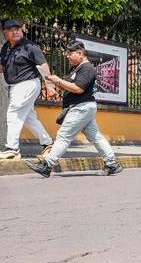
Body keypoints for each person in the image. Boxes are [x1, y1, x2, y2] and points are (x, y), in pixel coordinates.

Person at [26, 41, 122, 177]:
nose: (67, 56)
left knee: (63, 136)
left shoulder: (87, 69)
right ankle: (112, 164)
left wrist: (58, 80)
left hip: (81, 107)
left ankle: (47, 165)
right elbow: (69, 86)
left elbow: (78, 88)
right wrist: (54, 85)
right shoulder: (76, 68)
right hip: (83, 107)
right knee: (96, 137)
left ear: (80, 53)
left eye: (70, 53)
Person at [0, 19, 54, 160]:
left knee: (13, 113)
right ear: (5, 33)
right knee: (29, 118)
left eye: (17, 28)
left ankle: (12, 149)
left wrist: (49, 85)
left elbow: (43, 65)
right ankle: (48, 143)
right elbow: (3, 67)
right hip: (16, 86)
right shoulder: (6, 47)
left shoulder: (30, 46)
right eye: (11, 30)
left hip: (28, 83)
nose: (16, 31)